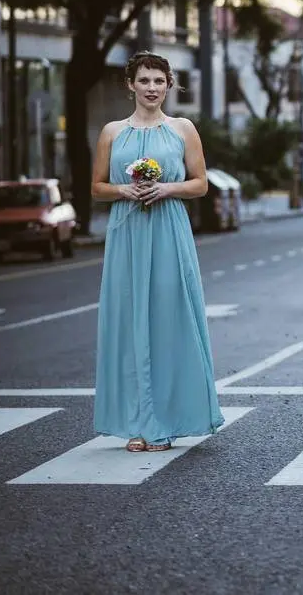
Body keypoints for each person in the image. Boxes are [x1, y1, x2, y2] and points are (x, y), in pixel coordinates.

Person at [91, 51, 223, 452]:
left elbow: (200, 183)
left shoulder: (183, 129)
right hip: (127, 232)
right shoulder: (112, 132)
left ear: (169, 85)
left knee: (169, 320)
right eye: (144, 81)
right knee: (130, 323)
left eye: (159, 81)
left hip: (168, 228)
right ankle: (137, 421)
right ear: (130, 84)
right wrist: (124, 190)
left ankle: (167, 418)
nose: (152, 88)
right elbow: (97, 188)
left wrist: (166, 187)